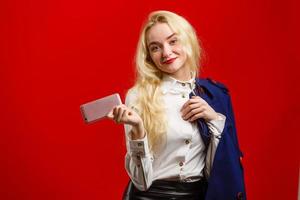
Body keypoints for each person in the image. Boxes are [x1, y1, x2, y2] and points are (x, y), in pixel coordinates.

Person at [107, 10, 246, 200]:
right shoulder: (139, 96)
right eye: (155, 48)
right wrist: (138, 131)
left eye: (173, 41)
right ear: (149, 56)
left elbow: (223, 171)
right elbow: (140, 181)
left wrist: (214, 119)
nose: (166, 52)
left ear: (188, 40)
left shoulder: (215, 95)